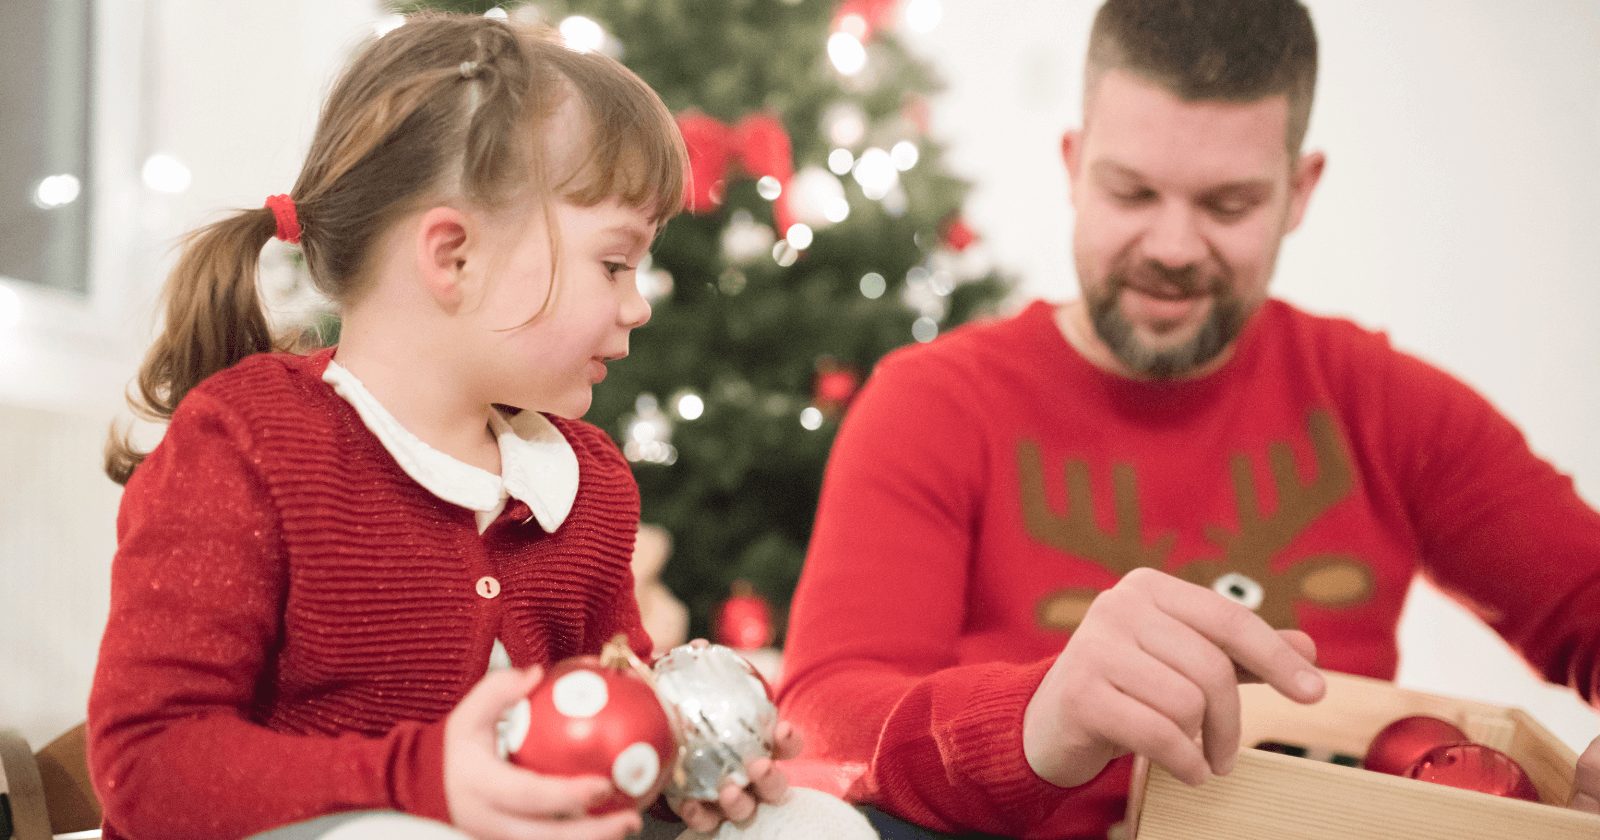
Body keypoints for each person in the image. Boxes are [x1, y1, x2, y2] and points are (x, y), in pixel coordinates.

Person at [776, 0, 1600, 837]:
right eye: (1132, 191)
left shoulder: (1387, 404)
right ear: (1073, 165)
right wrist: (1039, 721)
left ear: (1299, 191)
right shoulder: (935, 403)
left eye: (1228, 205)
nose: (1172, 246)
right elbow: (821, 718)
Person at [89, 14, 798, 840]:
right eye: (615, 262)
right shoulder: (247, 444)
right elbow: (147, 768)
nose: (638, 305)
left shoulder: (588, 483)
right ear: (453, 257)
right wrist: (417, 784)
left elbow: (609, 714)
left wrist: (681, 763)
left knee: (802, 823)